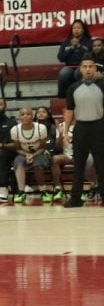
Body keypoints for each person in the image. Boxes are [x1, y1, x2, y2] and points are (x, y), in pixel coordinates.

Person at [63, 57, 104, 208]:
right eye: (85, 66)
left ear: (95, 68)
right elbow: (69, 111)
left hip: (99, 127)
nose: (88, 69)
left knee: (101, 165)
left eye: (91, 66)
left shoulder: (102, 85)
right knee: (79, 165)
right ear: (80, 69)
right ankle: (75, 199)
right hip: (80, 128)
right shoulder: (73, 88)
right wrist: (66, 132)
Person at [57, 20, 92, 98]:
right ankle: (62, 97)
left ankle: (80, 95)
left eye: (78, 28)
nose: (76, 30)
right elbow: (61, 58)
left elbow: (89, 56)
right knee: (63, 73)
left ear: (83, 30)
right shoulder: (66, 42)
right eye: (74, 28)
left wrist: (79, 47)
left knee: (78, 74)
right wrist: (72, 48)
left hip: (83, 66)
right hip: (69, 66)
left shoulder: (88, 42)